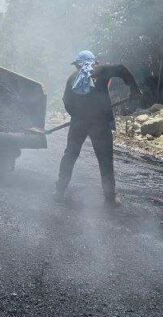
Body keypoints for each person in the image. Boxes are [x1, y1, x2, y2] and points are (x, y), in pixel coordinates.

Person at [55, 50, 142, 205]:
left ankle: (59, 191)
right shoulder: (101, 70)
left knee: (70, 155)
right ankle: (110, 198)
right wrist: (134, 89)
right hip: (100, 123)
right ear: (93, 61)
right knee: (105, 159)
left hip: (78, 123)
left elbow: (66, 102)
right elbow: (122, 69)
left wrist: (78, 115)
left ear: (78, 64)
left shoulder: (72, 78)